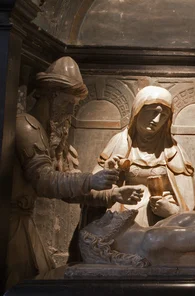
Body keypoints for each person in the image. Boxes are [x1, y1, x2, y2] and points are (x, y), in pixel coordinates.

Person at [6, 57, 142, 289]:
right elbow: (46, 181)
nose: (71, 111)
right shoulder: (27, 126)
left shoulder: (52, 137)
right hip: (10, 225)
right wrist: (91, 179)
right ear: (51, 96)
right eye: (69, 103)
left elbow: (71, 191)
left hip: (24, 224)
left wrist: (114, 195)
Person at [91, 85, 195, 228]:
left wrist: (173, 211)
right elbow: (91, 187)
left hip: (162, 221)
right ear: (138, 111)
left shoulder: (174, 151)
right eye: (152, 112)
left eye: (164, 115)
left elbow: (189, 200)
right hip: (123, 213)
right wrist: (108, 174)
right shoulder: (118, 142)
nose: (157, 119)